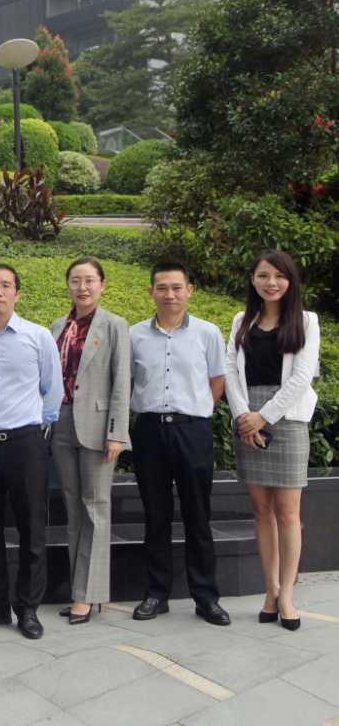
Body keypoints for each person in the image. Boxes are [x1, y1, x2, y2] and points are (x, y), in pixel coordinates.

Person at [0, 264, 63, 640]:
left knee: (31, 529)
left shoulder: (38, 337)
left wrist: (34, 427)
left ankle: (28, 608)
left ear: (17, 294)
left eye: (5, 285)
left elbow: (53, 390)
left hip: (25, 444)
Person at [129, 261, 231, 626]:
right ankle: (157, 594)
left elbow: (217, 381)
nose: (169, 294)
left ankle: (205, 597)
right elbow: (129, 382)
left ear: (189, 290)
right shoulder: (135, 335)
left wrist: (196, 410)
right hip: (149, 431)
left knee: (197, 516)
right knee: (155, 516)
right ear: (151, 292)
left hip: (193, 432)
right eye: (161, 287)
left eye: (176, 287)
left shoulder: (208, 333)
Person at [225, 250, 319, 632]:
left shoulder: (307, 321)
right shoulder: (241, 320)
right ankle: (271, 590)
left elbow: (302, 377)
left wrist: (263, 416)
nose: (271, 283)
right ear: (253, 279)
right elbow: (230, 371)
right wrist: (244, 417)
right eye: (263, 275)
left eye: (279, 276)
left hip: (287, 419)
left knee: (288, 513)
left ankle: (288, 595)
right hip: (248, 418)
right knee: (261, 510)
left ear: (290, 280)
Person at [49, 259, 130, 625]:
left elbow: (121, 383)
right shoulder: (58, 326)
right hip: (62, 424)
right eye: (75, 281)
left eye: (89, 281)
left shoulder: (115, 326)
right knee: (73, 509)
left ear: (102, 285)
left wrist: (116, 432)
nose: (82, 287)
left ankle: (87, 596)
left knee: (96, 507)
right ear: (67, 285)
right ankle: (77, 589)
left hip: (98, 429)